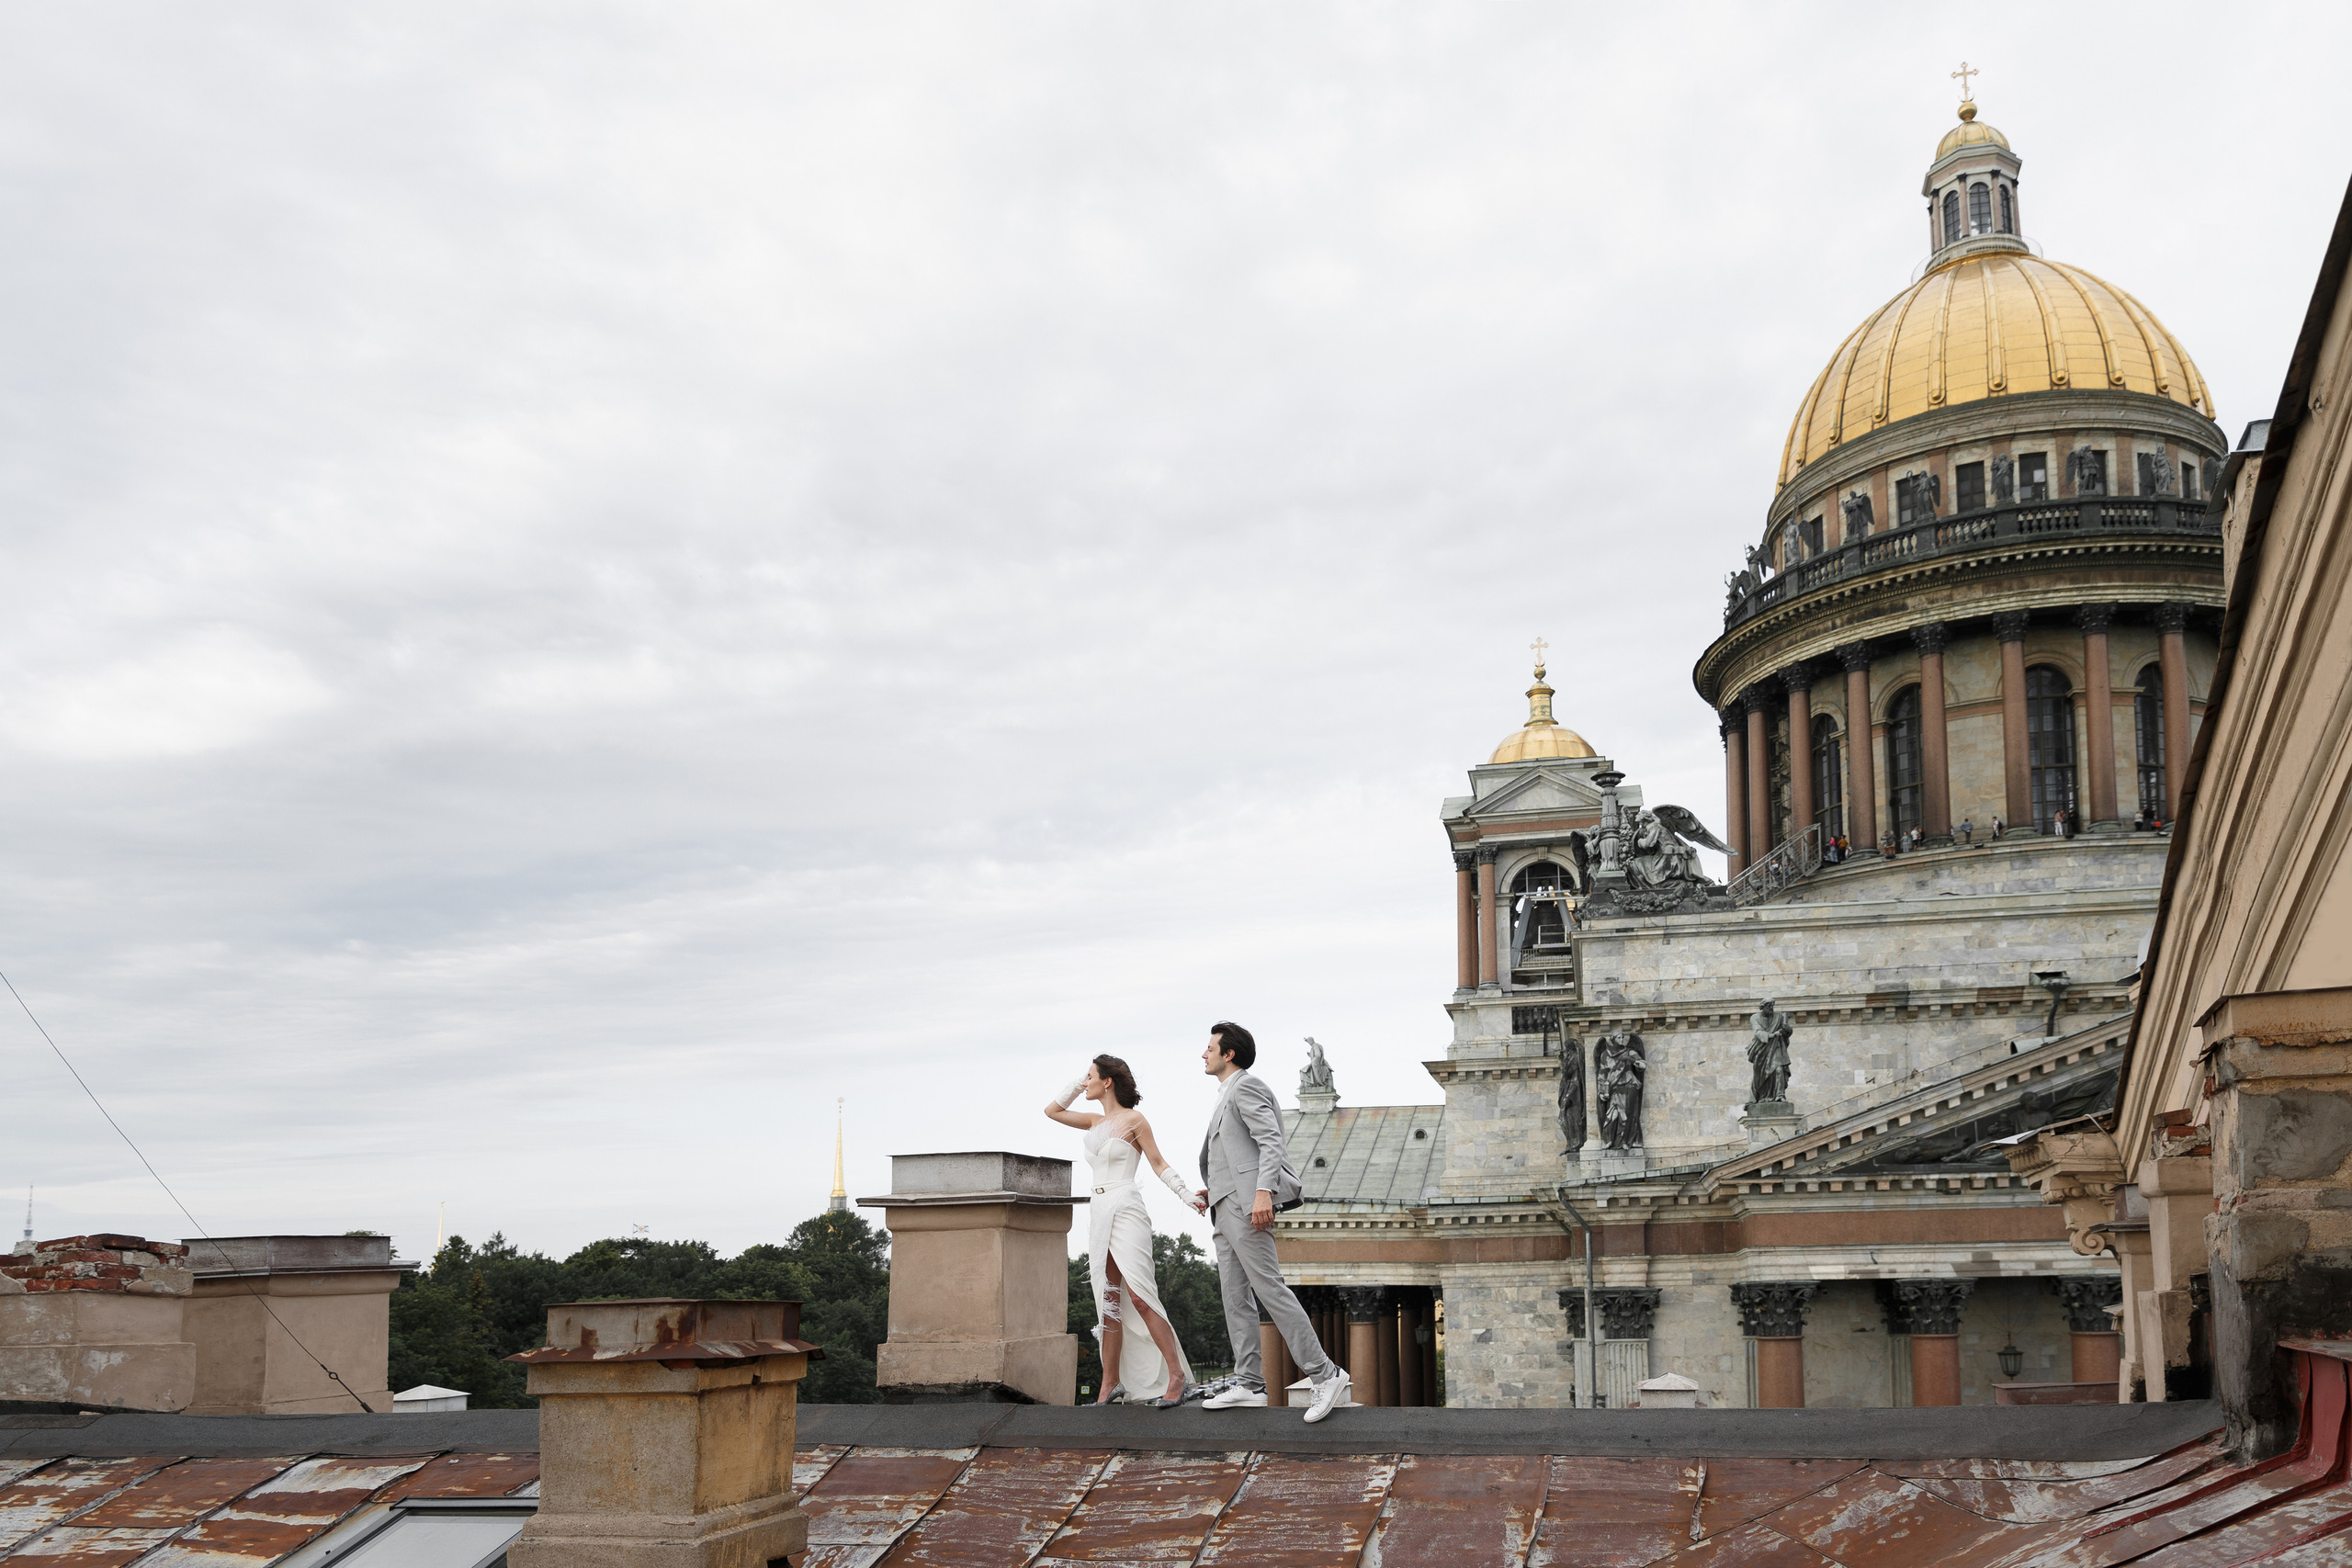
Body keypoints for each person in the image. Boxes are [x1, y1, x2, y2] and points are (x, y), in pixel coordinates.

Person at [1190, 1022, 1351, 1422]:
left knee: (1270, 1290)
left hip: (1248, 1206)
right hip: (1225, 1206)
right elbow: (1235, 1154)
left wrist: (1262, 1192)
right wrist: (1216, 1188)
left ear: (1229, 1054)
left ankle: (1325, 1374)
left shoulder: (1247, 1086)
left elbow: (1271, 1140)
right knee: (1233, 1297)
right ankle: (1249, 1384)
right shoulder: (1226, 1094)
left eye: (1210, 1048)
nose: (1203, 1054)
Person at [1044, 1055, 1197, 1407]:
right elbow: (1052, 1111)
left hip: (1126, 1207)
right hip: (1099, 1213)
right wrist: (1076, 1083)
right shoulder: (1095, 1122)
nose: (1086, 1082)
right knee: (1108, 1301)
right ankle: (1110, 1383)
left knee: (1141, 1295)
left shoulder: (1134, 1120)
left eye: (1091, 1076)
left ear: (1107, 1081)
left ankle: (1175, 1374)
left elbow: (1158, 1162)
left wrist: (1185, 1194)